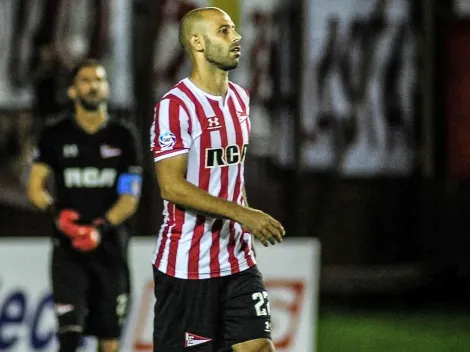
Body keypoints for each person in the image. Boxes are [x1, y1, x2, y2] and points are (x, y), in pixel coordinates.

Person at [150, 7, 285, 352]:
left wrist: (244, 221)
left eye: (234, 30)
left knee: (259, 348)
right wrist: (242, 214)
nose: (237, 38)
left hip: (238, 260)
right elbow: (172, 186)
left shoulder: (240, 100)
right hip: (188, 268)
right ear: (197, 42)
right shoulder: (175, 106)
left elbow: (230, 178)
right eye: (224, 31)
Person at [27, 59, 143, 352]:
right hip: (68, 251)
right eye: (86, 80)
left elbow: (129, 198)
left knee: (110, 342)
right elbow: (35, 187)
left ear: (106, 88)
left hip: (110, 251)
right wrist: (58, 216)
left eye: (99, 80)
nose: (93, 86)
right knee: (69, 337)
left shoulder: (123, 136)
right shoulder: (55, 135)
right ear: (72, 90)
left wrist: (99, 229)